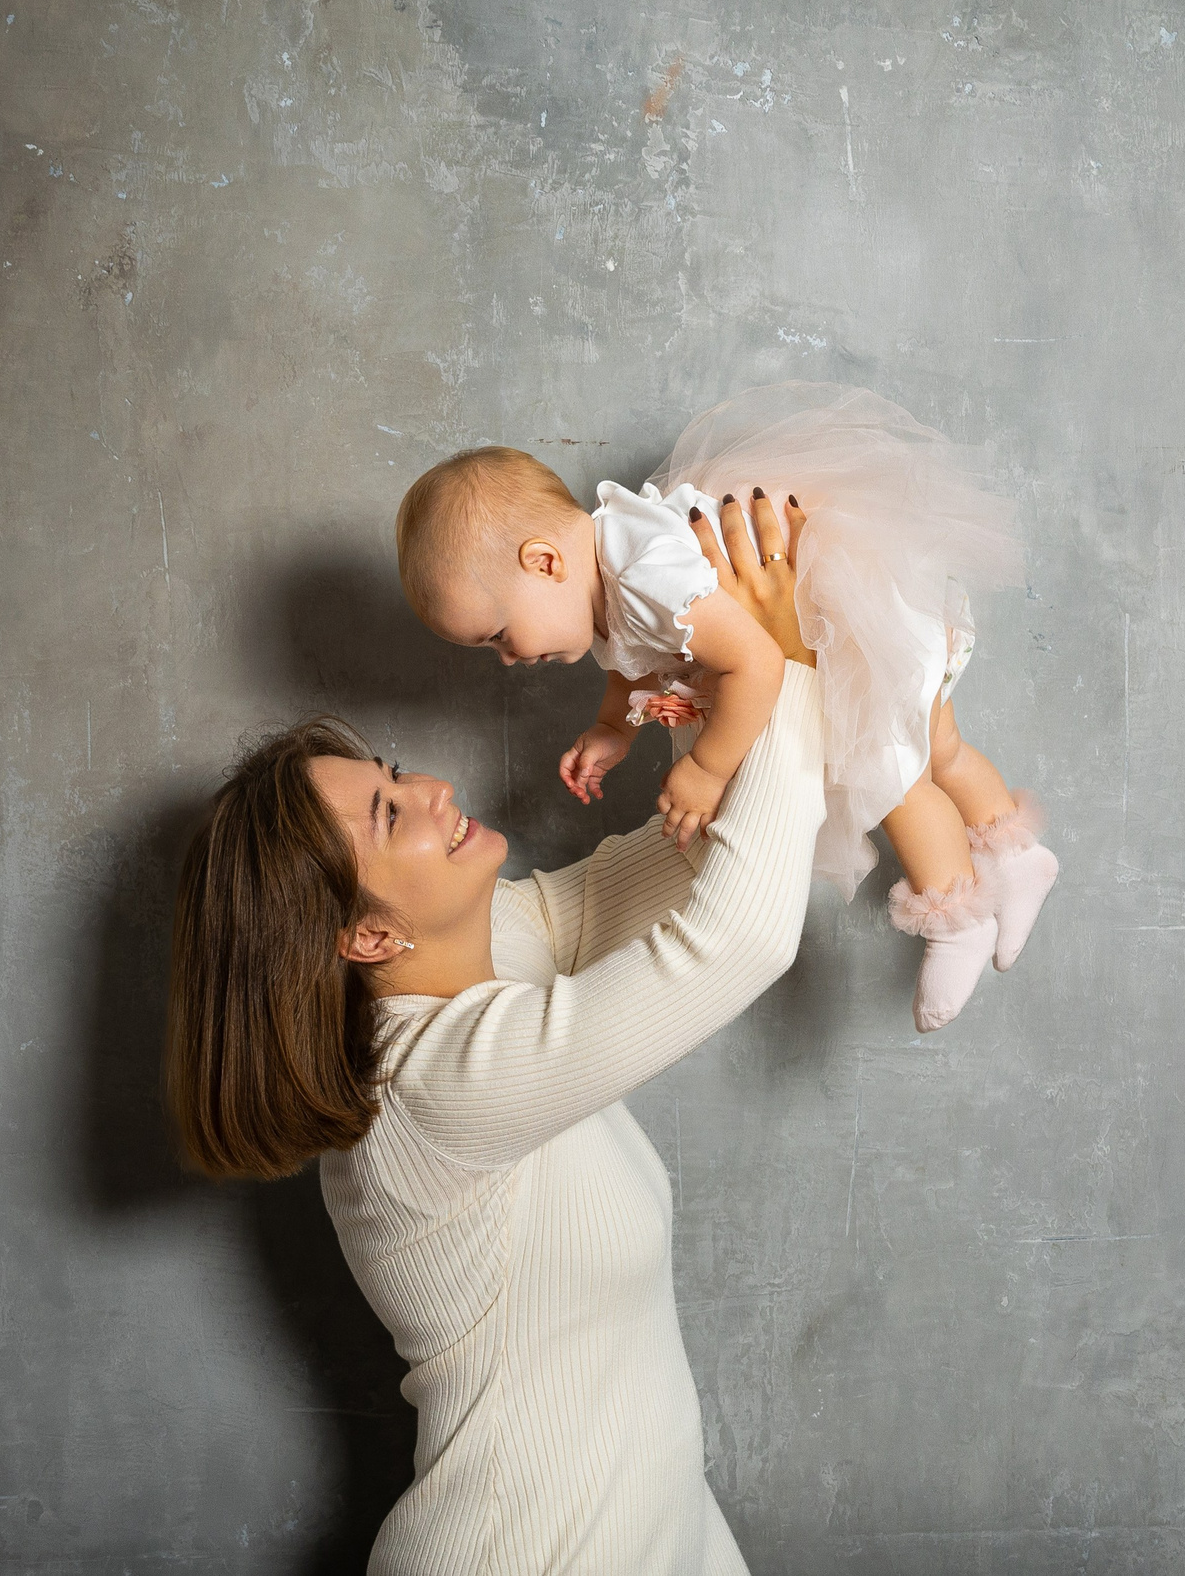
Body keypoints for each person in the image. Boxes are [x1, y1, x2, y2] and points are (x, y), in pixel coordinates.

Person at [165, 501, 819, 1575]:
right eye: (386, 814)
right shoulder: (425, 1088)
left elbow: (686, 868)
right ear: (368, 932)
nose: (428, 789)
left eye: (387, 773)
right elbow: (737, 941)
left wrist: (734, 673)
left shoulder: (499, 949)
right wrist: (781, 664)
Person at [392, 382, 1060, 1031]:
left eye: (498, 637)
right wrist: (610, 728)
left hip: (856, 619)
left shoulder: (645, 573)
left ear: (542, 564)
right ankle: (1018, 853)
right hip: (853, 623)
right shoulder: (600, 589)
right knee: (940, 749)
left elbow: (756, 662)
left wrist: (708, 771)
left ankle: (960, 915)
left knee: (894, 776)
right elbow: (632, 661)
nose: (507, 659)